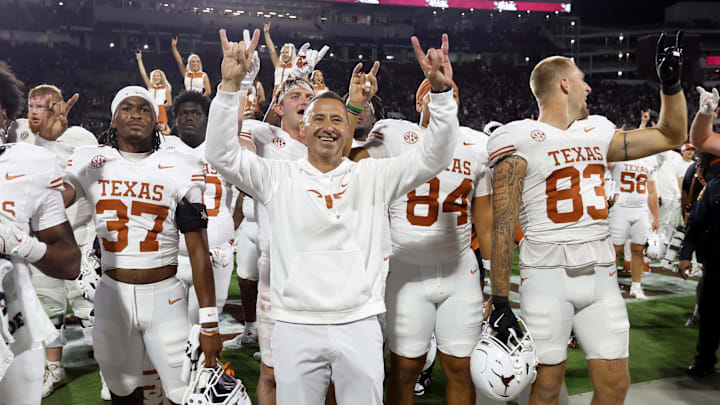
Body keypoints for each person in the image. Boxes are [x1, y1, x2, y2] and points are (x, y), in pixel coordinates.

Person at [206, 28, 458, 405]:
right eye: (318, 118)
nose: (328, 126)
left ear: (349, 130)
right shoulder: (277, 176)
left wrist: (440, 95)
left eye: (338, 120)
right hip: (294, 322)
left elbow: (434, 156)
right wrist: (229, 86)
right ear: (303, 129)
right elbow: (222, 154)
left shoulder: (372, 175)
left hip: (359, 321)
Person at [487, 32, 687, 405]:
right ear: (564, 83)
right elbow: (502, 224)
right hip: (546, 276)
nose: (589, 88)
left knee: (615, 386)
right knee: (545, 388)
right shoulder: (518, 137)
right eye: (582, 79)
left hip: (601, 276)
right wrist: (500, 301)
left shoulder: (596, 131)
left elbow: (671, 134)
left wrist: (671, 85)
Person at [61, 86, 221, 404]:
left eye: (145, 109)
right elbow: (47, 203)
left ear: (156, 120)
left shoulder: (179, 165)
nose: (136, 114)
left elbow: (198, 249)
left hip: (165, 295)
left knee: (184, 392)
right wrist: (48, 144)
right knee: (121, 391)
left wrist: (210, 322)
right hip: (112, 296)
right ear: (113, 119)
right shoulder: (90, 161)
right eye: (127, 108)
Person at [354, 78, 492, 405]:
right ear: (419, 103)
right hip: (406, 271)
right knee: (404, 371)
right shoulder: (396, 134)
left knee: (461, 369)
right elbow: (351, 162)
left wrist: (496, 283)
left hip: (461, 273)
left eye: (453, 94)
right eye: (437, 93)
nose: (446, 99)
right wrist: (354, 106)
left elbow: (486, 222)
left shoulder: (475, 145)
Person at [0, 61, 82, 405]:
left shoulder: (30, 163)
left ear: (3, 115)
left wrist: (22, 244)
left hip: (15, 327)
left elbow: (69, 262)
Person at [13, 84, 95, 399]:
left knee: (88, 303)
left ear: (61, 105)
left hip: (80, 232)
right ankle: (55, 369)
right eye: (34, 104)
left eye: (48, 104)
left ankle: (106, 362)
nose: (40, 111)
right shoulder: (19, 134)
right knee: (48, 306)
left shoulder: (81, 139)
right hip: (42, 237)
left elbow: (91, 184)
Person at [161, 90, 238, 325]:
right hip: (173, 254)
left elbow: (243, 193)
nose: (189, 117)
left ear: (207, 118)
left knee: (205, 328)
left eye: (196, 113)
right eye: (183, 113)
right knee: (170, 329)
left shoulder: (223, 150)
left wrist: (228, 231)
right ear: (176, 119)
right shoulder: (163, 148)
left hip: (216, 252)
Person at [677, 150, 720, 378]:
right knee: (710, 312)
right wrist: (685, 255)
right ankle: (704, 360)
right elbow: (696, 223)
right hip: (715, 260)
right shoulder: (714, 186)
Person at [607, 155, 659, 299]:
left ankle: (636, 287)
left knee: (638, 249)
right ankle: (610, 286)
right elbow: (609, 162)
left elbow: (652, 191)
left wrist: (655, 217)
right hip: (620, 208)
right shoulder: (619, 156)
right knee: (615, 250)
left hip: (641, 209)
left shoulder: (649, 160)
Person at [135, 50, 172, 125]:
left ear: (161, 77)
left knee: (161, 132)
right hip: (150, 110)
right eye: (154, 76)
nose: (156, 77)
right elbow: (143, 74)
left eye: (157, 76)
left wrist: (159, 106)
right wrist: (139, 60)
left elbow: (169, 103)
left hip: (160, 111)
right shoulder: (150, 86)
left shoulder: (166, 88)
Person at [263, 22, 296, 97]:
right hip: (276, 91)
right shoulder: (278, 64)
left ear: (291, 54)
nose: (284, 54)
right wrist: (266, 33)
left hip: (289, 92)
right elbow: (272, 49)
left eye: (287, 52)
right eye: (283, 52)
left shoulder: (295, 66)